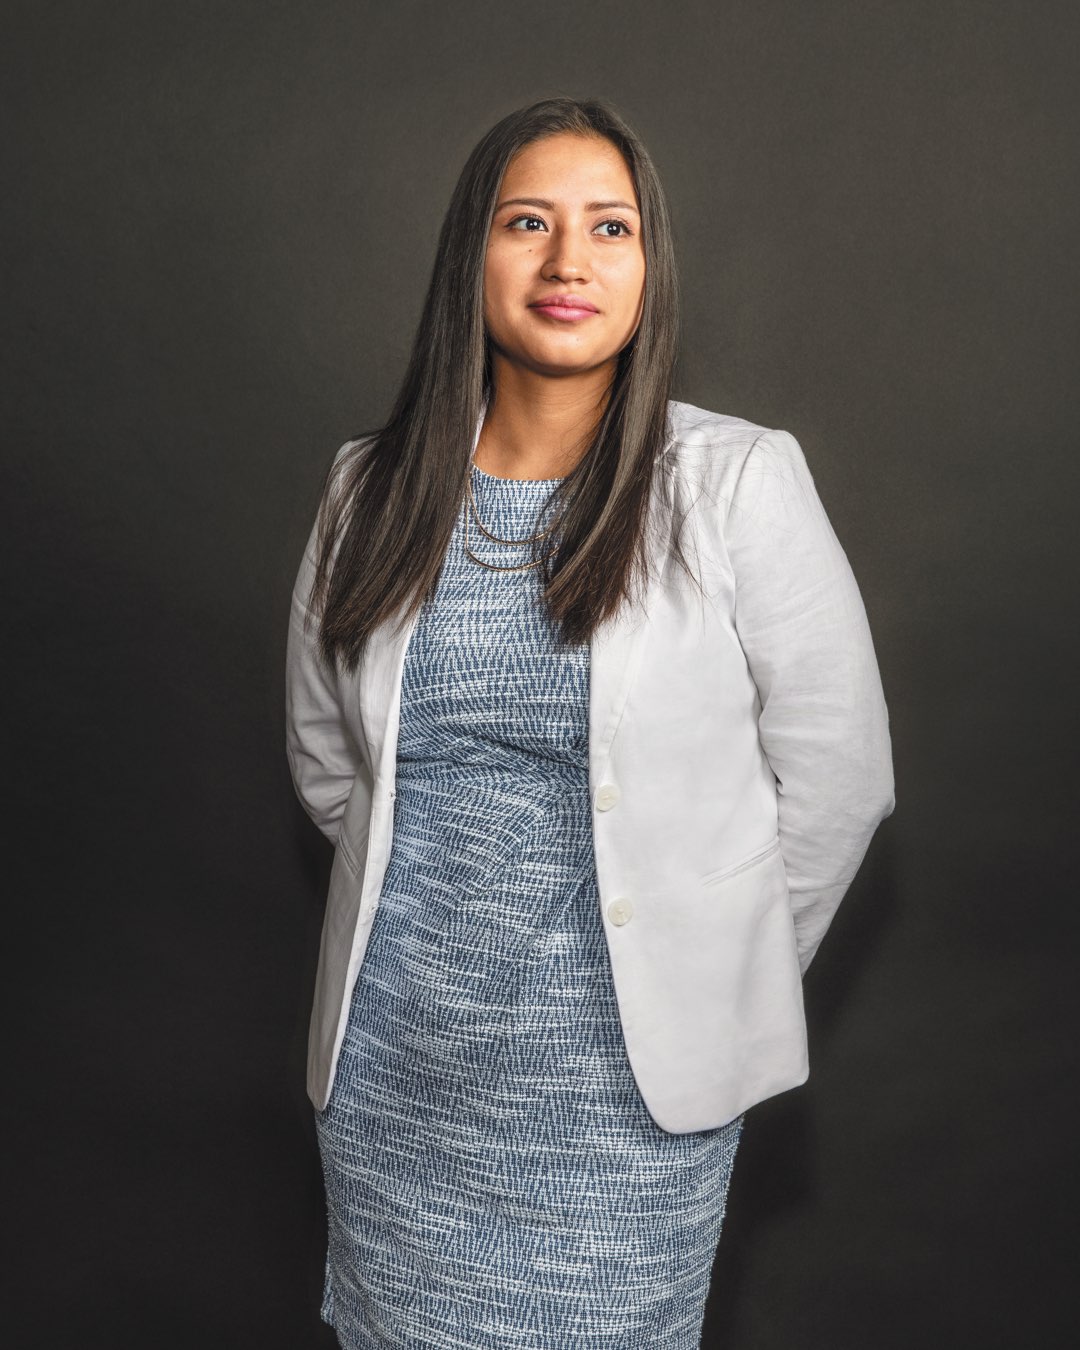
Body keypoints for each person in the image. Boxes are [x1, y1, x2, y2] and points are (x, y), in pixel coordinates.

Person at [285, 95, 895, 1349]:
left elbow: (841, 780)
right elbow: (328, 757)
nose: (570, 261)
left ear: (647, 265)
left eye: (609, 228)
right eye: (530, 223)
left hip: (633, 1107)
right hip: (399, 1087)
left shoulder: (732, 483)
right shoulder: (370, 488)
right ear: (475, 254)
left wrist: (712, 971)